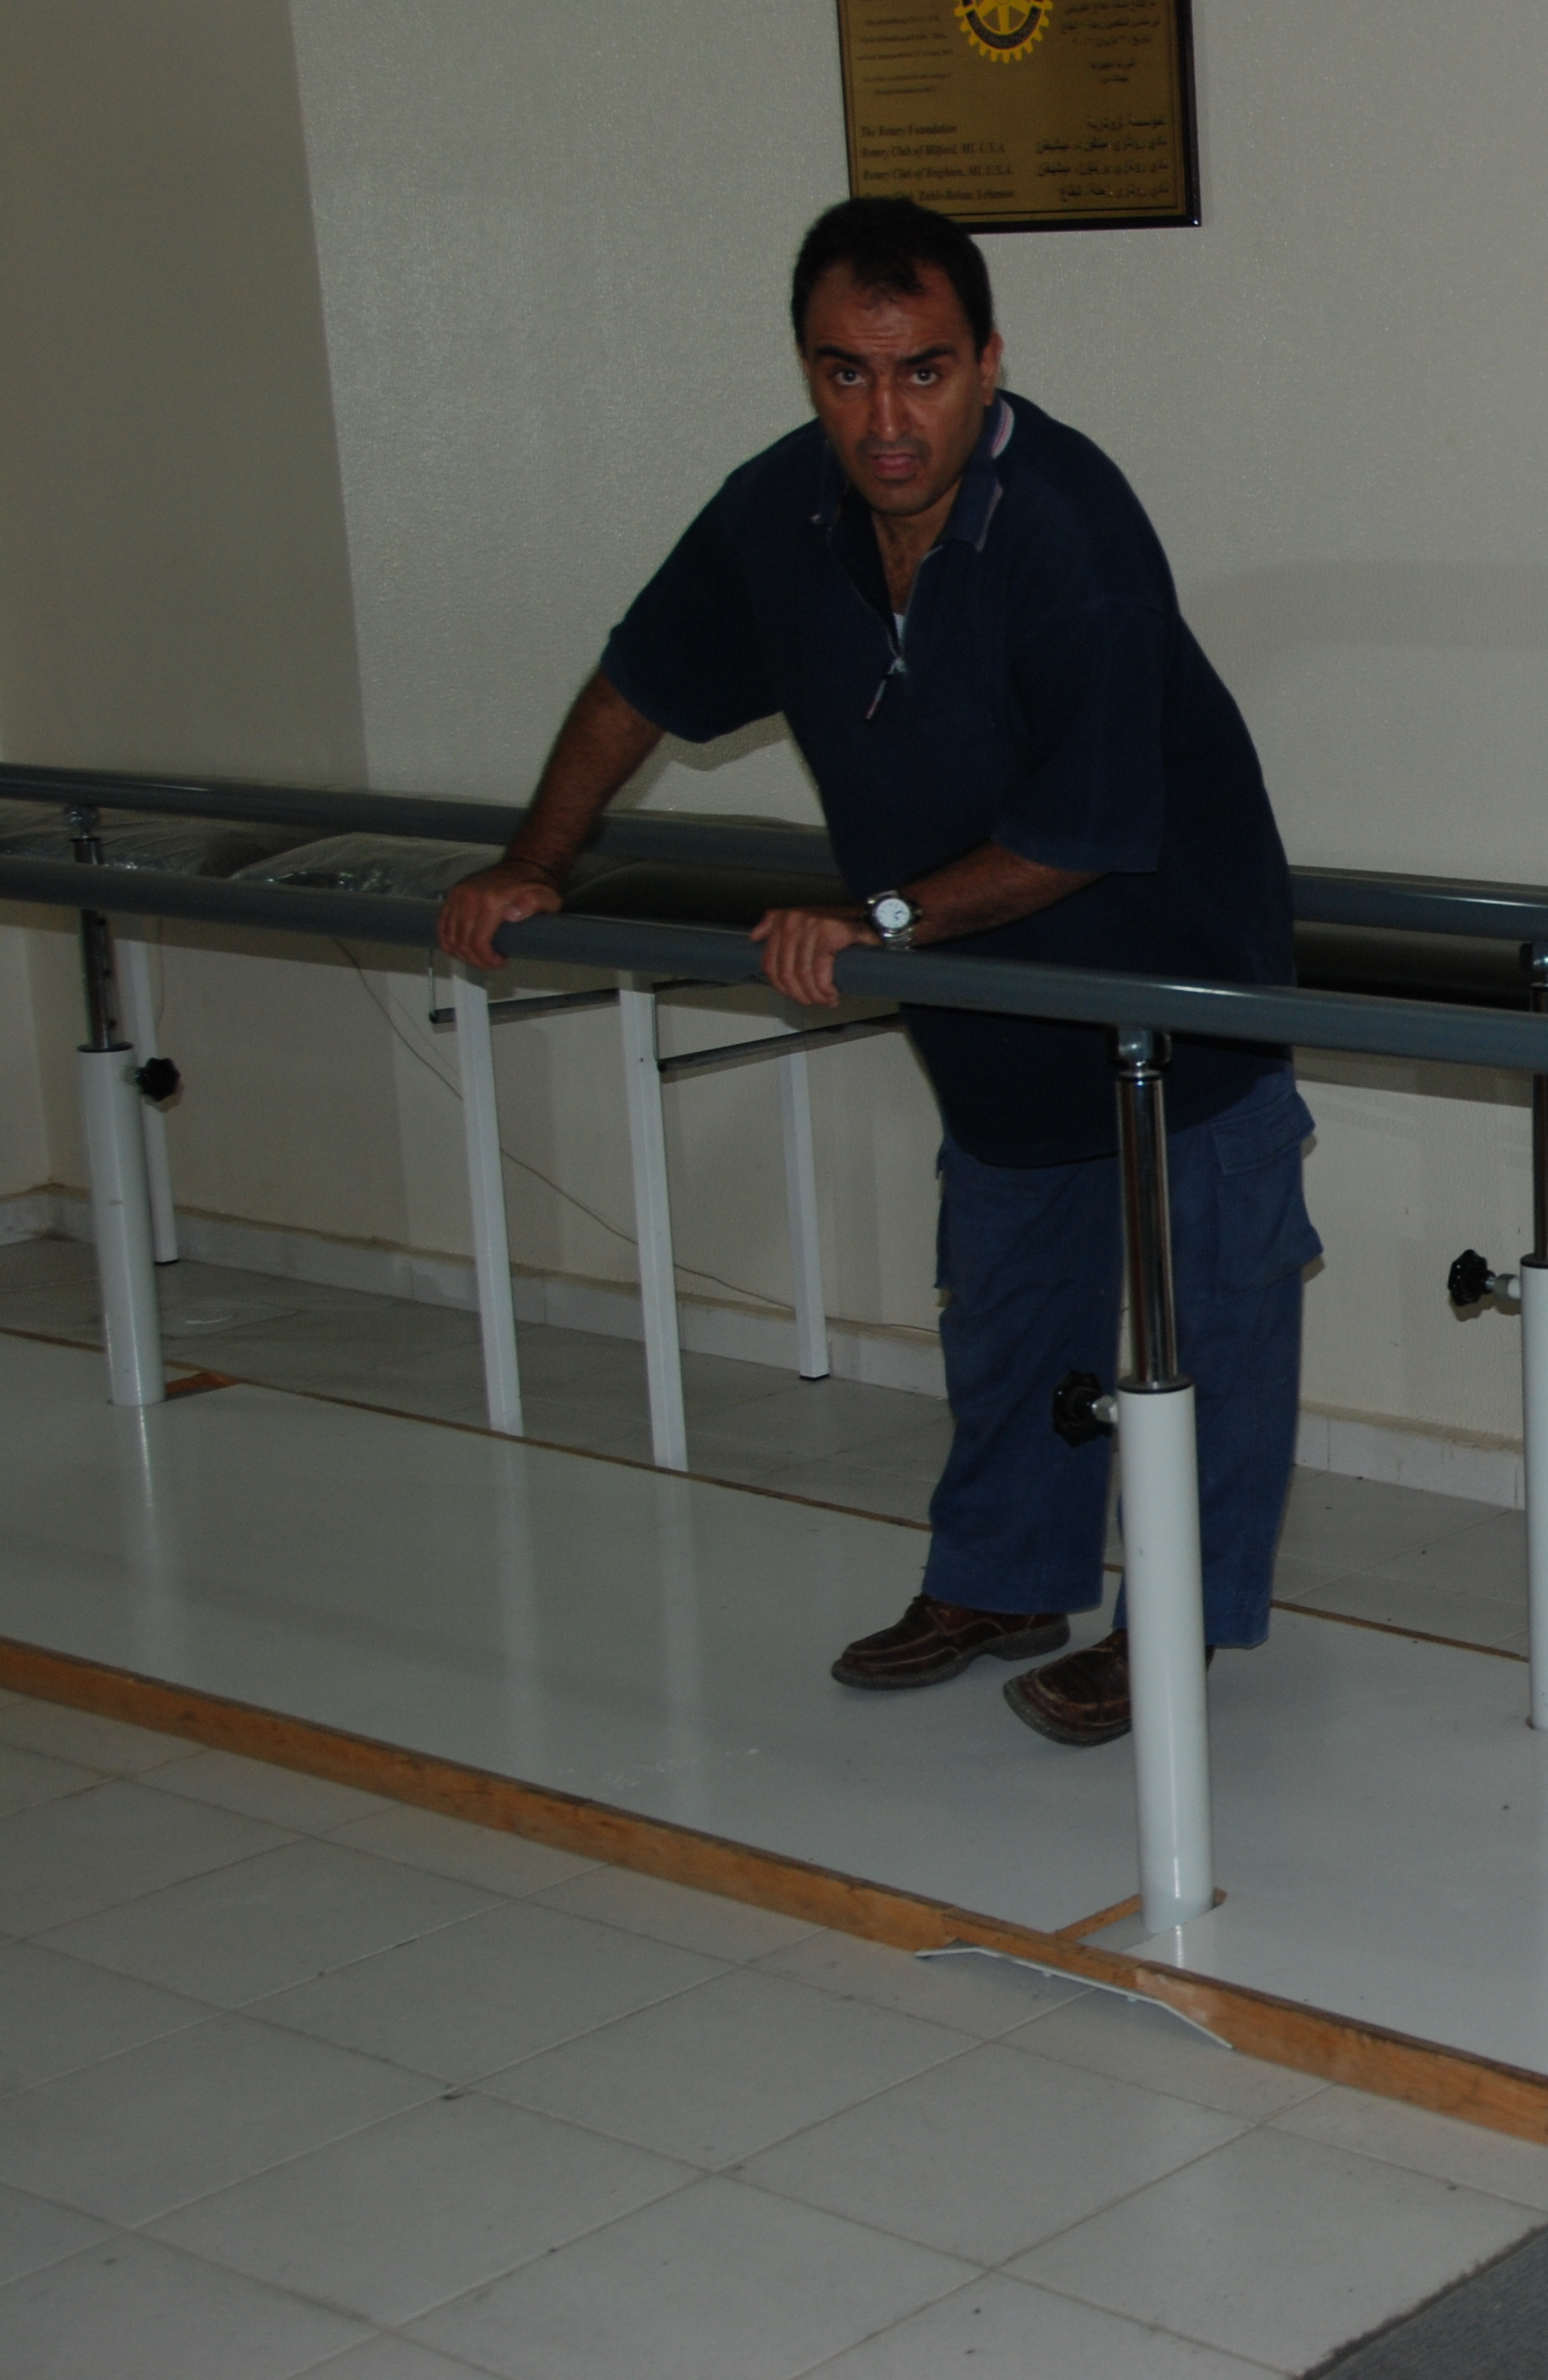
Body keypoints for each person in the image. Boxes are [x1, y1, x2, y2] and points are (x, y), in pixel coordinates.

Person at [437, 196, 1313, 1746]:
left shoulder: (1071, 530)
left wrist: (881, 920)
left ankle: (1175, 1621)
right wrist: (536, 860)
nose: (886, 418)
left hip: (1171, 977)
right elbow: (636, 686)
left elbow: (1087, 831)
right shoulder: (783, 512)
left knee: (1209, 1323)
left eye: (922, 371)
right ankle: (1000, 1579)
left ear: (988, 362)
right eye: (847, 373)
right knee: (1008, 1306)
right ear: (809, 369)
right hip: (984, 997)